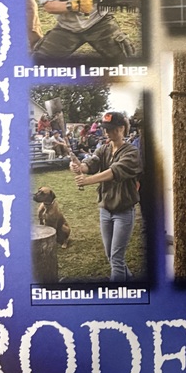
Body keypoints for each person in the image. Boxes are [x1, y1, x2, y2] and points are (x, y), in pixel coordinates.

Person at [71, 111, 142, 282]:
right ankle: (131, 282)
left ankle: (117, 298)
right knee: (111, 256)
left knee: (116, 259)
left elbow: (114, 171)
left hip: (123, 211)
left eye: (110, 129)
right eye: (105, 129)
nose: (107, 133)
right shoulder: (104, 148)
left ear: (121, 129)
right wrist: (80, 167)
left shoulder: (132, 152)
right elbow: (92, 163)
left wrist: (87, 180)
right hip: (105, 209)